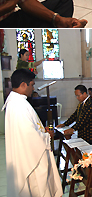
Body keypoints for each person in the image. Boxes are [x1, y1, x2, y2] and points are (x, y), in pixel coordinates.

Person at [2, 69, 62, 197]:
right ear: (24, 84)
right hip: (31, 159)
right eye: (32, 84)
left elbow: (27, 129)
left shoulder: (16, 101)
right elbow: (30, 137)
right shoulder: (19, 105)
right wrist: (47, 136)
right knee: (36, 189)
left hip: (24, 153)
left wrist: (41, 130)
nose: (33, 88)